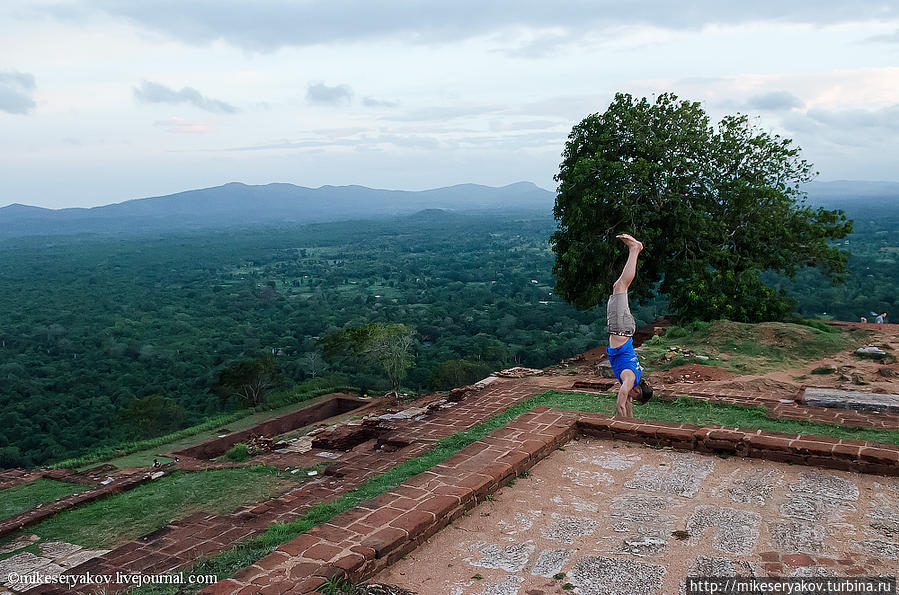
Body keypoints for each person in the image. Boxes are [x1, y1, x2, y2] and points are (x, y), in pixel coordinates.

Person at [606, 234, 653, 418]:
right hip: (621, 328)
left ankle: (635, 250)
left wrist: (631, 423)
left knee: (619, 286)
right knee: (620, 286)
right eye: (636, 395)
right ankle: (635, 249)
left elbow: (627, 402)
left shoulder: (635, 379)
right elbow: (621, 402)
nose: (631, 395)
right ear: (638, 390)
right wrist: (622, 425)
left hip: (622, 329)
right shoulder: (631, 379)